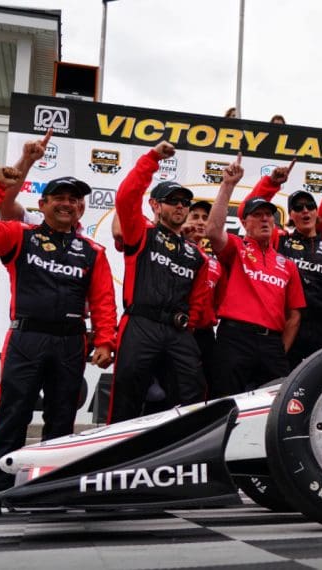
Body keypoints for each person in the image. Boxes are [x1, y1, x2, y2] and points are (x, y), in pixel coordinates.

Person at [0, 133, 116, 516]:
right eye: (60, 198)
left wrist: (105, 341)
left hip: (70, 342)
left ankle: (49, 489)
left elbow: (102, 301)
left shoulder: (92, 251)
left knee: (62, 419)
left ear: (82, 207)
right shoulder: (21, 236)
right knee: (13, 414)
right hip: (27, 337)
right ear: (43, 204)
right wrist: (2, 181)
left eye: (75, 199)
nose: (69, 204)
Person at [108, 141, 213, 423]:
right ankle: (117, 458)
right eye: (172, 200)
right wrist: (152, 158)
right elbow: (127, 197)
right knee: (127, 395)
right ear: (155, 205)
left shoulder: (196, 254)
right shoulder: (141, 233)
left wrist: (188, 324)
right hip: (141, 324)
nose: (180, 206)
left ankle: (183, 456)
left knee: (192, 396)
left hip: (178, 331)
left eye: (184, 202)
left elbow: (199, 299)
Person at [206, 155, 306, 396]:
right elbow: (211, 231)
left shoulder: (287, 264)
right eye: (257, 215)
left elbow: (294, 315)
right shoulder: (236, 247)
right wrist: (228, 185)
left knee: (275, 408)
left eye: (268, 215)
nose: (264, 219)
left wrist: (279, 349)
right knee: (224, 404)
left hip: (271, 343)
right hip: (235, 338)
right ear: (244, 222)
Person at [246, 161, 322, 368]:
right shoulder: (280, 240)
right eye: (298, 208)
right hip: (285, 325)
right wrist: (270, 183)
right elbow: (248, 212)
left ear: (317, 212)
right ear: (291, 216)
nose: (305, 211)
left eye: (309, 207)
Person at [181, 199, 222, 386]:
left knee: (208, 387)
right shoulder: (174, 248)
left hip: (205, 333)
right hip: (178, 330)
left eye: (205, 218)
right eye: (195, 216)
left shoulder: (214, 260)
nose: (200, 222)